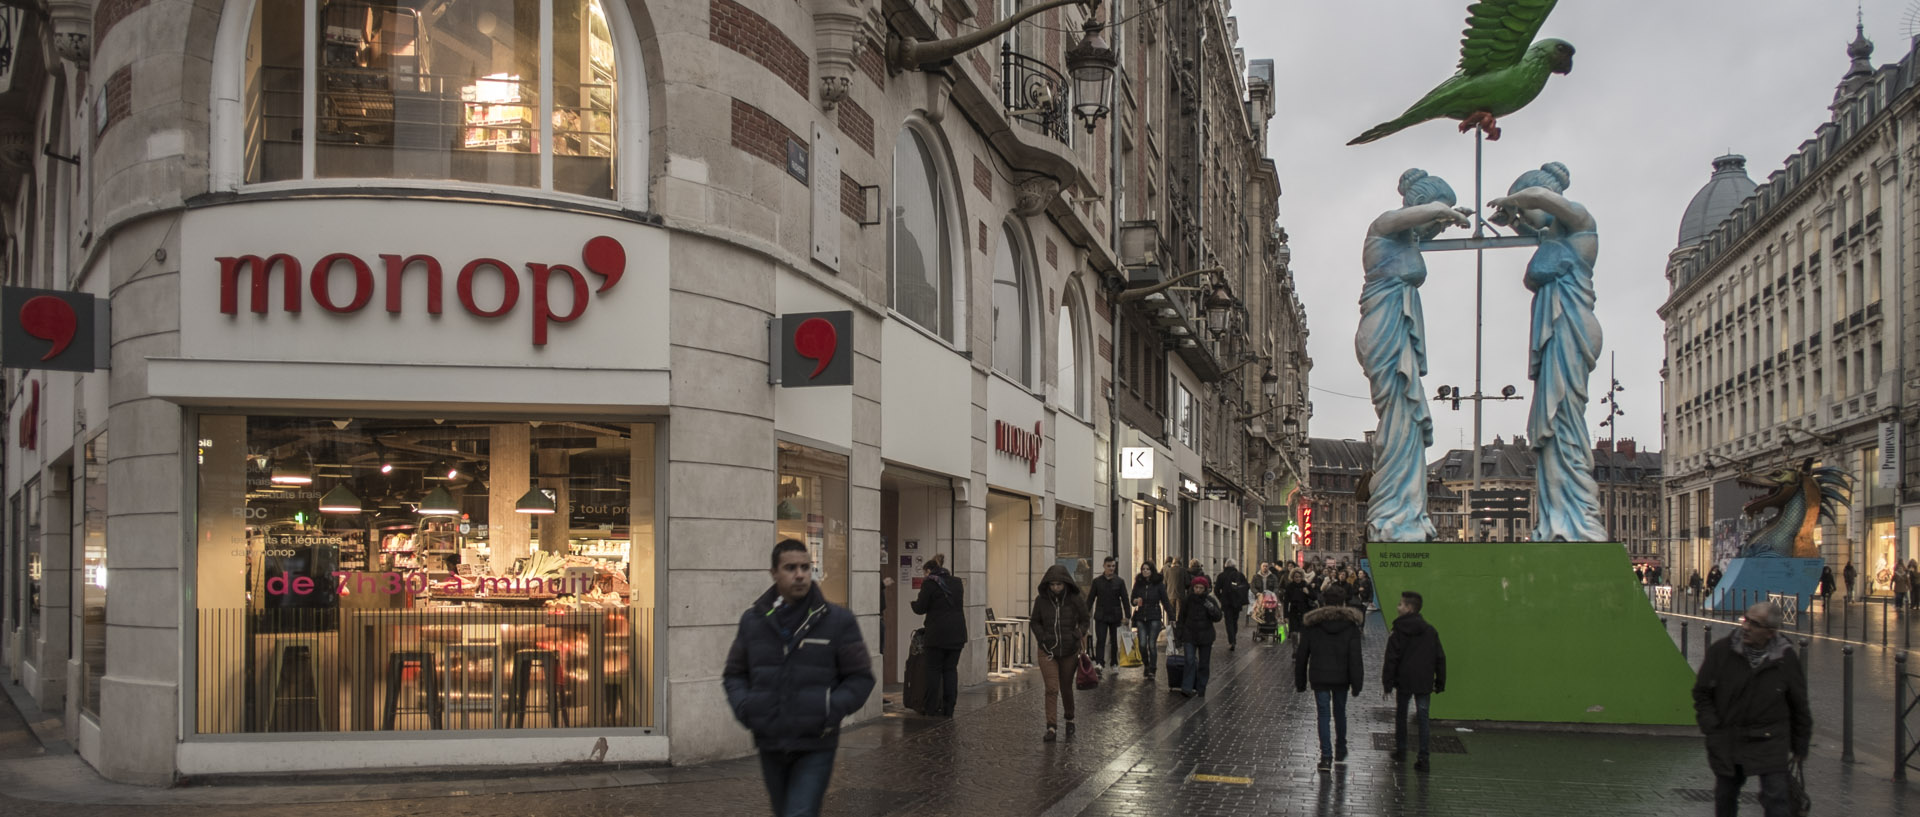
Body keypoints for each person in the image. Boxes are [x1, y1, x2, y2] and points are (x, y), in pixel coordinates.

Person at [724, 539, 875, 817]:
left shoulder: (837, 620)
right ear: (774, 573)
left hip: (815, 742)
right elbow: (734, 673)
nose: (800, 574)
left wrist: (829, 708)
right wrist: (749, 708)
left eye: (806, 567)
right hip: (771, 739)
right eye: (791, 567)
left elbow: (861, 677)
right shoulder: (753, 621)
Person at [1692, 602, 1811, 817]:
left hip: (1770, 738)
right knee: (1725, 796)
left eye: (1754, 624)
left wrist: (1800, 746)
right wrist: (1711, 726)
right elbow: (1702, 693)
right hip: (1729, 735)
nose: (1746, 627)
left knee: (1776, 798)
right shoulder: (1722, 651)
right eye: (1745, 620)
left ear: (1770, 632)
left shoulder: (1785, 659)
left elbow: (1799, 704)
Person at [1295, 585, 1365, 771]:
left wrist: (1300, 681)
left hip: (1319, 675)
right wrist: (1357, 682)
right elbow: (1355, 657)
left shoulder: (1312, 624)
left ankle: (1326, 756)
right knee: (1340, 713)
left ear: (1323, 601)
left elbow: (1302, 654)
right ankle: (1341, 747)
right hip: (1342, 677)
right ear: (1343, 603)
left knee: (1323, 715)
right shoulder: (1351, 626)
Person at [1381, 591, 1446, 772]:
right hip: (1424, 680)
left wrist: (1387, 683)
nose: (1397, 607)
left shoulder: (1398, 631)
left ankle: (1401, 750)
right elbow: (1440, 657)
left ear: (1409, 608)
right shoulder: (1430, 630)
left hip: (1404, 680)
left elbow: (1391, 658)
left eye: (1400, 604)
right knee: (1423, 718)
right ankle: (1423, 757)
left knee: (1401, 714)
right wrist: (1440, 681)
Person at [1029, 564, 1089, 742]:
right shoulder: (1041, 601)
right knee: (1052, 688)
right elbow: (1035, 622)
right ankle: (1051, 726)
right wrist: (1042, 637)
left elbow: (1085, 619)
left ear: (1065, 584)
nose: (1055, 588)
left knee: (1065, 687)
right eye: (1052, 584)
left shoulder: (1075, 599)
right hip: (1047, 650)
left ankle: (1070, 718)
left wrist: (1078, 633)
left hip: (1069, 651)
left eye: (1059, 584)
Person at [909, 554, 966, 717]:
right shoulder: (956, 582)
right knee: (950, 670)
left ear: (928, 570)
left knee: (933, 671)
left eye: (924, 573)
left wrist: (913, 604)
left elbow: (921, 607)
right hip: (957, 633)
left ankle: (931, 707)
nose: (924, 576)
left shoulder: (930, 584)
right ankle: (949, 708)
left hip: (937, 635)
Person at [1177, 575, 1223, 697]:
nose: (1198, 590)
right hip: (1189, 635)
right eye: (1196, 587)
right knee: (1189, 660)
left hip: (1205, 636)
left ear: (1205, 589)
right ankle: (1187, 687)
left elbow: (1218, 617)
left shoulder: (1210, 601)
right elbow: (1181, 617)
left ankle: (1201, 687)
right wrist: (1179, 635)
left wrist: (1211, 609)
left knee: (1204, 663)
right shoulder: (1188, 600)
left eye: (1200, 588)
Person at [1130, 561, 1175, 681]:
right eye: (1143, 569)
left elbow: (1165, 601)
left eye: (1147, 569)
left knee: (1151, 644)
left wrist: (1171, 617)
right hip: (1140, 617)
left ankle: (1153, 669)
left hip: (1154, 616)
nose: (1145, 571)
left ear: (1152, 571)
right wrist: (1135, 601)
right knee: (1142, 644)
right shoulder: (1138, 583)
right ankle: (1146, 664)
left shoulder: (1158, 584)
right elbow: (1132, 599)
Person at [1088, 557, 1131, 670]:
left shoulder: (1120, 581)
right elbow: (1090, 599)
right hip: (1101, 616)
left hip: (1116, 616)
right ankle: (1099, 663)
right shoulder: (1097, 582)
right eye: (1109, 566)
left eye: (1113, 566)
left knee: (1114, 641)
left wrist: (1128, 616)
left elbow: (1125, 599)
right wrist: (1085, 613)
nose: (1111, 568)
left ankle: (1114, 663)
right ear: (1104, 566)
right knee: (1100, 640)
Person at [1216, 560, 1251, 651]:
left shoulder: (1221, 576)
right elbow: (1247, 586)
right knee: (1235, 621)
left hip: (1226, 603)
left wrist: (1221, 598)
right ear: (1235, 566)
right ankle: (1233, 637)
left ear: (1225, 566)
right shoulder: (1239, 575)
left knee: (1228, 622)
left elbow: (1216, 590)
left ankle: (1232, 640)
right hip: (1237, 602)